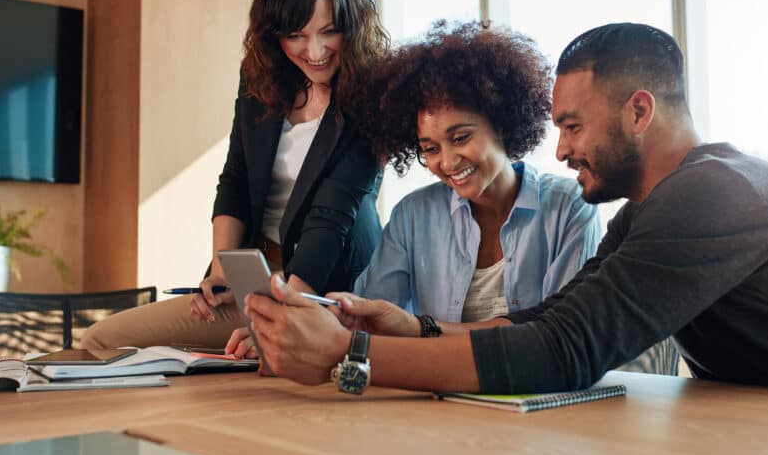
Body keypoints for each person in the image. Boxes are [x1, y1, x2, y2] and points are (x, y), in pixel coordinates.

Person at [239, 22, 768, 396]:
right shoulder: (654, 209)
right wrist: (413, 332)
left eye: (574, 126)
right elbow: (549, 319)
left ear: (639, 110)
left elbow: (564, 352)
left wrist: (352, 354)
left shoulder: (718, 193)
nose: (560, 150)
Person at [226, 21, 676, 373]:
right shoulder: (413, 217)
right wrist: (297, 326)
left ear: (502, 125)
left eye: (461, 137)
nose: (446, 161)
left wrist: (416, 332)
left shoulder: (567, 208)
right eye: (429, 148)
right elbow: (362, 314)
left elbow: (556, 338)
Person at [81, 0, 387, 350]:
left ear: (353, 22)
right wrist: (223, 271)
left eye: (329, 31)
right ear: (273, 32)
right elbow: (237, 175)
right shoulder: (260, 76)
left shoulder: (374, 94)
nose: (314, 52)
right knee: (103, 340)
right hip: (255, 282)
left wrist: (285, 322)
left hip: (326, 293)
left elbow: (331, 217)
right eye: (296, 35)